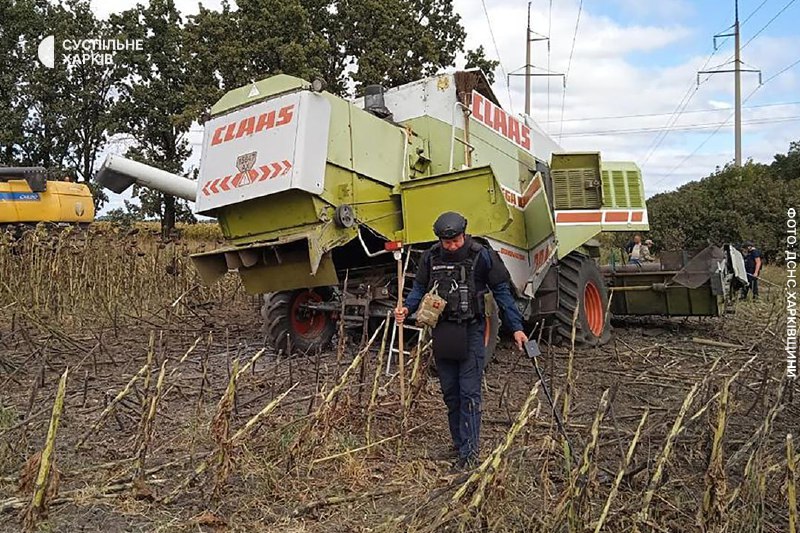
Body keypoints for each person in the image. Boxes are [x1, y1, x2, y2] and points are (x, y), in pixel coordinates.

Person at [395, 212, 528, 470]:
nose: (452, 246)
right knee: (451, 394)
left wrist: (517, 328)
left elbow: (502, 292)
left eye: (456, 241)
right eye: (447, 242)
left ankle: (470, 454)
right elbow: (419, 289)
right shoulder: (431, 257)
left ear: (463, 234)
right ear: (439, 240)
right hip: (442, 332)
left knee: (469, 394)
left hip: (472, 332)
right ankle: (459, 445)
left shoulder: (482, 256)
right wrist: (407, 308)